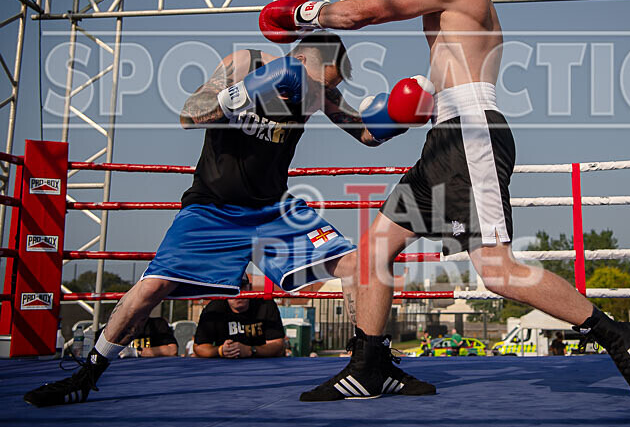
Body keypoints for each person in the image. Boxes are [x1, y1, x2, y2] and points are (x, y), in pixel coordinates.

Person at [259, 0, 630, 406]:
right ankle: (368, 367)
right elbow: (427, 36)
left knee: (496, 271)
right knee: (374, 252)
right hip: (444, 141)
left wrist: (302, 14)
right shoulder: (453, 1)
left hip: (471, 136)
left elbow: (365, 12)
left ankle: (617, 334)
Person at [24, 32, 430, 407]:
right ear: (303, 60)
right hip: (212, 208)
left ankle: (370, 363)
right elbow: (189, 114)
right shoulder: (245, 63)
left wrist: (398, 119)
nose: (327, 93)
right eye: (325, 82)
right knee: (153, 286)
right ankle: (88, 372)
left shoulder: (318, 93)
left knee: (357, 265)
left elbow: (365, 134)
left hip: (274, 210)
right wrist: (235, 97)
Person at [193, 277, 285, 358]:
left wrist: (251, 350)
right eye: (232, 288)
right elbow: (199, 347)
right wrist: (220, 351)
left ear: (250, 288)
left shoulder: (265, 305)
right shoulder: (214, 309)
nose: (238, 294)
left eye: (242, 287)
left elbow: (277, 344)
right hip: (224, 367)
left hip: (262, 365)